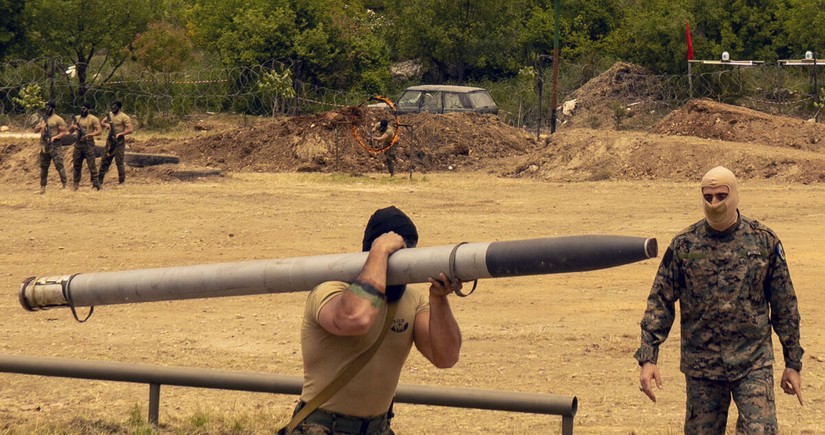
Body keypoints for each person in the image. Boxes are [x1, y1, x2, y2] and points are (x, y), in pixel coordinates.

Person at [635, 166, 804, 434]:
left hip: (753, 363)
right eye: (708, 196)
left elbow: (785, 306)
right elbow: (660, 301)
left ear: (735, 195)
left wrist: (793, 363)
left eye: (721, 195)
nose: (714, 203)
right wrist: (648, 358)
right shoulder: (684, 246)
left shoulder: (763, 242)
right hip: (703, 368)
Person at [284, 206, 462, 434]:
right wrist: (379, 253)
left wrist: (439, 300)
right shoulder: (331, 291)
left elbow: (446, 357)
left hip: (377, 428)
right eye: (395, 253)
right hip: (322, 426)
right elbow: (356, 319)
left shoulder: (412, 300)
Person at [33, 101, 68, 194]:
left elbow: (64, 132)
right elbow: (35, 131)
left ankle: (65, 185)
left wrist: (54, 137)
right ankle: (42, 187)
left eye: (49, 107)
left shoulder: (58, 119)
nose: (47, 109)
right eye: (46, 107)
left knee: (59, 165)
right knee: (43, 167)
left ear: (53, 108)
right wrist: (38, 127)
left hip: (54, 145)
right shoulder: (43, 119)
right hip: (44, 145)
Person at [99, 100, 133, 187]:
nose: (113, 108)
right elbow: (102, 122)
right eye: (112, 106)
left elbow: (130, 129)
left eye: (115, 107)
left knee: (119, 161)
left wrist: (120, 134)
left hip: (119, 141)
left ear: (118, 108)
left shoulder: (124, 117)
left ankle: (122, 182)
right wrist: (106, 125)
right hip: (110, 141)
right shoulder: (109, 115)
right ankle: (99, 181)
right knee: (105, 160)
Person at [68, 102, 102, 191]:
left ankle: (95, 183)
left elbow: (99, 131)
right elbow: (70, 131)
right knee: (76, 165)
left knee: (91, 165)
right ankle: (76, 184)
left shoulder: (93, 119)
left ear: (88, 109)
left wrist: (90, 134)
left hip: (88, 143)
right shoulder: (77, 119)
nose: (82, 110)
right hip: (78, 144)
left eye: (84, 108)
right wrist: (73, 127)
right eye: (81, 108)